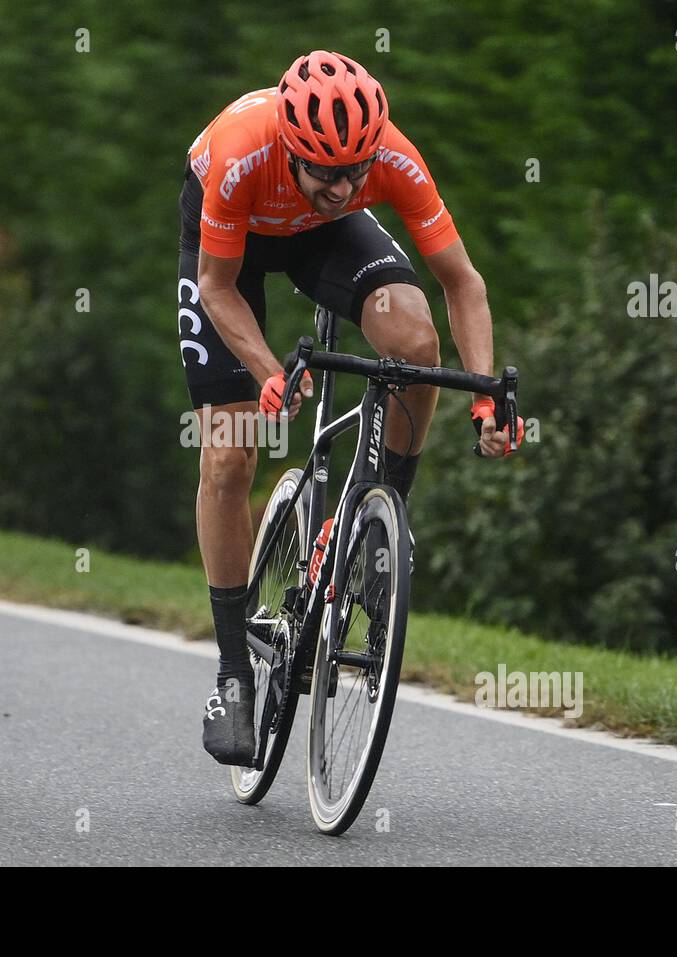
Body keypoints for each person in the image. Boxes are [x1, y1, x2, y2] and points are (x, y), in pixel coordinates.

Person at [178, 51, 510, 765]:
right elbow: (218, 286)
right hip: (232, 255)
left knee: (416, 339)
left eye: (357, 170)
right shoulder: (242, 155)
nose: (345, 185)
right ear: (292, 149)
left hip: (320, 244)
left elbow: (464, 282)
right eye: (327, 171)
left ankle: (380, 515)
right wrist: (268, 373)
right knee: (232, 451)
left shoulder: (382, 158)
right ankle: (234, 673)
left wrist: (484, 394)